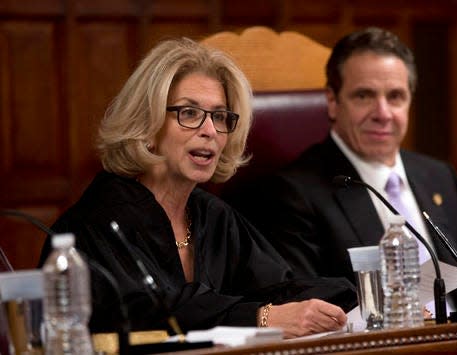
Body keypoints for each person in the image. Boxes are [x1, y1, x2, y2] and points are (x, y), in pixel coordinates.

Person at [37, 38, 356, 337]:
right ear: (146, 124)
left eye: (220, 117)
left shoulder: (212, 216)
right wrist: (261, 318)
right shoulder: (96, 224)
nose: (210, 131)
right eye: (189, 113)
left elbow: (280, 287)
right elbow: (154, 315)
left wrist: (351, 297)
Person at [235, 27, 457, 313]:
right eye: (364, 96)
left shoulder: (440, 177)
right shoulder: (292, 194)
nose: (382, 113)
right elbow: (311, 306)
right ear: (332, 101)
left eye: (395, 96)